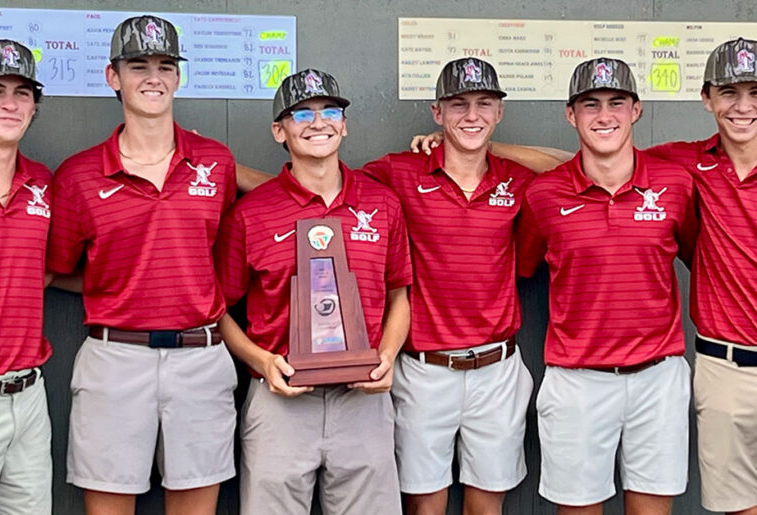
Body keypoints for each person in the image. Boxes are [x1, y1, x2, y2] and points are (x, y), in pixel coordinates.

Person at [46, 16, 238, 515]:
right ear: (113, 76)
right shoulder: (78, 175)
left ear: (178, 76)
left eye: (165, 65)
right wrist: (119, 285)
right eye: (138, 66)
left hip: (200, 355)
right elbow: (57, 268)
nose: (153, 77)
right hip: (115, 357)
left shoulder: (216, 162)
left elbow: (214, 252)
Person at [215, 68, 412, 515]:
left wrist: (387, 355)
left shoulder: (382, 204)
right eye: (301, 113)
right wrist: (262, 362)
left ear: (344, 125)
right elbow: (220, 310)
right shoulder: (251, 213)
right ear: (279, 131)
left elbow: (400, 294)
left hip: (363, 399)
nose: (318, 122)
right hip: (280, 399)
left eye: (329, 112)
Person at [516, 58, 698, 515]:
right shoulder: (544, 194)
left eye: (616, 102)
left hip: (658, 376)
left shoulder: (675, 184)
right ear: (570, 114)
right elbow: (522, 265)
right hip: (577, 380)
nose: (604, 115)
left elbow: (698, 255)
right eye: (590, 104)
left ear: (636, 110)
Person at [363, 58, 535, 515]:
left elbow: (577, 164)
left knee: (487, 505)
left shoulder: (516, 177)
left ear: (499, 112)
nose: (472, 115)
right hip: (425, 369)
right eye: (459, 105)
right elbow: (326, 188)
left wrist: (489, 143)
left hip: (497, 368)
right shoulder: (400, 171)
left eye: (484, 104)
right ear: (437, 111)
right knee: (425, 505)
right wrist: (234, 175)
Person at [644, 38, 757, 515]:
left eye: (755, 92)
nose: (743, 106)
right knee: (740, 507)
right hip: (725, 367)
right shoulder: (684, 163)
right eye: (729, 92)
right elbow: (587, 165)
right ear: (707, 99)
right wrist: (481, 148)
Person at [0, 38, 52, 515]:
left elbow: (53, 267)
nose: (9, 103)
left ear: (34, 108)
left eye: (22, 93)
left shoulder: (43, 183)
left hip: (28, 393)